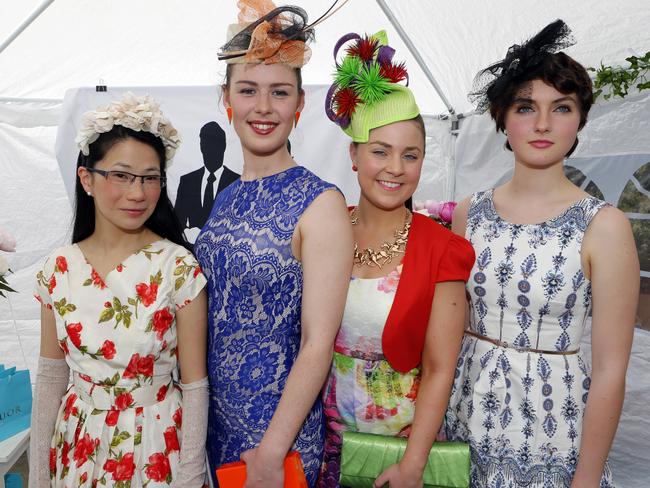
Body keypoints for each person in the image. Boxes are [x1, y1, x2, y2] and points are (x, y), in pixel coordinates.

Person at [444, 20, 639, 487]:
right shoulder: (469, 213)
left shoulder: (605, 226)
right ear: (503, 119)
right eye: (526, 107)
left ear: (580, 122)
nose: (544, 124)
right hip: (462, 423)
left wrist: (586, 479)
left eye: (562, 107)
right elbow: (448, 336)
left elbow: (612, 371)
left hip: (554, 435)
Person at [193, 2, 353, 487]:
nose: (262, 108)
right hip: (214, 432)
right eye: (248, 90)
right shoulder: (226, 199)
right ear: (227, 99)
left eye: (279, 93)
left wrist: (271, 450)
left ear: (299, 104)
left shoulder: (321, 203)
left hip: (276, 441)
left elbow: (318, 342)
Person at [318, 32, 476, 487]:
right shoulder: (324, 232)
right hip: (324, 441)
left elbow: (441, 367)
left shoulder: (443, 249)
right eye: (380, 152)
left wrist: (412, 463)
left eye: (411, 155)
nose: (395, 168)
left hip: (401, 448)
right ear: (353, 154)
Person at [30, 93, 209, 487]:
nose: (137, 193)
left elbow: (195, 385)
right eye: (122, 175)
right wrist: (39, 476)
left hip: (155, 448)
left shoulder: (177, 267)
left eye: (149, 178)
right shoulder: (58, 269)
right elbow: (50, 379)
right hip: (76, 446)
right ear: (87, 179)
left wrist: (191, 476)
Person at [175, 121, 240, 240]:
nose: (208, 150)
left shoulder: (237, 182)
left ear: (223, 146)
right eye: (205, 144)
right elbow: (177, 222)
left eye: (214, 144)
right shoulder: (187, 181)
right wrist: (187, 234)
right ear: (201, 147)